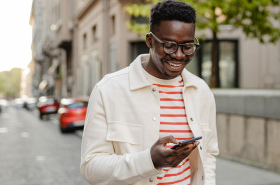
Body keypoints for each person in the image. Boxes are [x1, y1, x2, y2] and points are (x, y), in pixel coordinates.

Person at [80, 1, 219, 185]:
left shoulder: (201, 91)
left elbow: (208, 153)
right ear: (149, 41)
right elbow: (91, 168)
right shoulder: (107, 90)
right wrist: (149, 161)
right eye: (169, 45)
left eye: (187, 46)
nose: (179, 55)